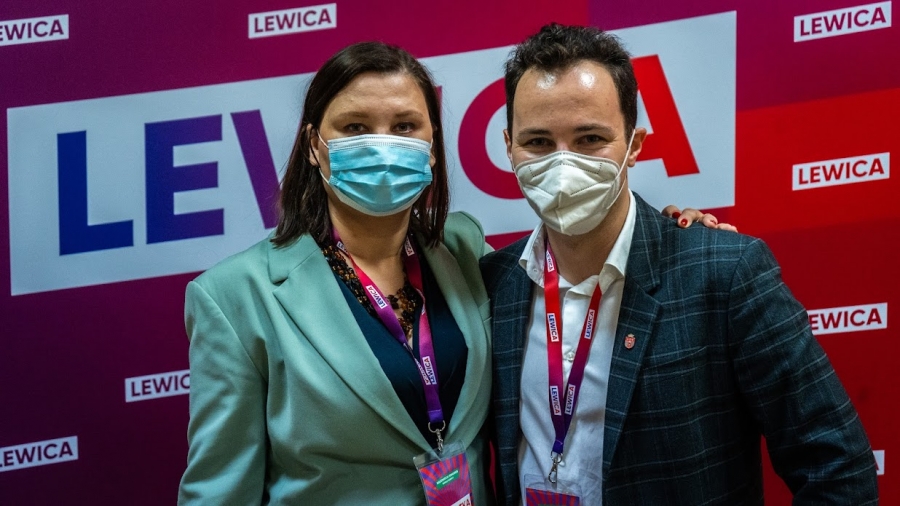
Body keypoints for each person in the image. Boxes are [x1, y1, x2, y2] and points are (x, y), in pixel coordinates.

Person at [481, 24, 878, 505]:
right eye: (539, 142)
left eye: (590, 138)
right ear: (509, 146)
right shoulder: (491, 284)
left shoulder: (724, 273)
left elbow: (838, 469)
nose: (564, 166)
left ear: (635, 144)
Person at [178, 41, 494, 505]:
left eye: (404, 127)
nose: (383, 145)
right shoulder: (235, 296)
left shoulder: (465, 248)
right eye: (355, 127)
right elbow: (220, 492)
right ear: (314, 146)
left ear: (431, 145)